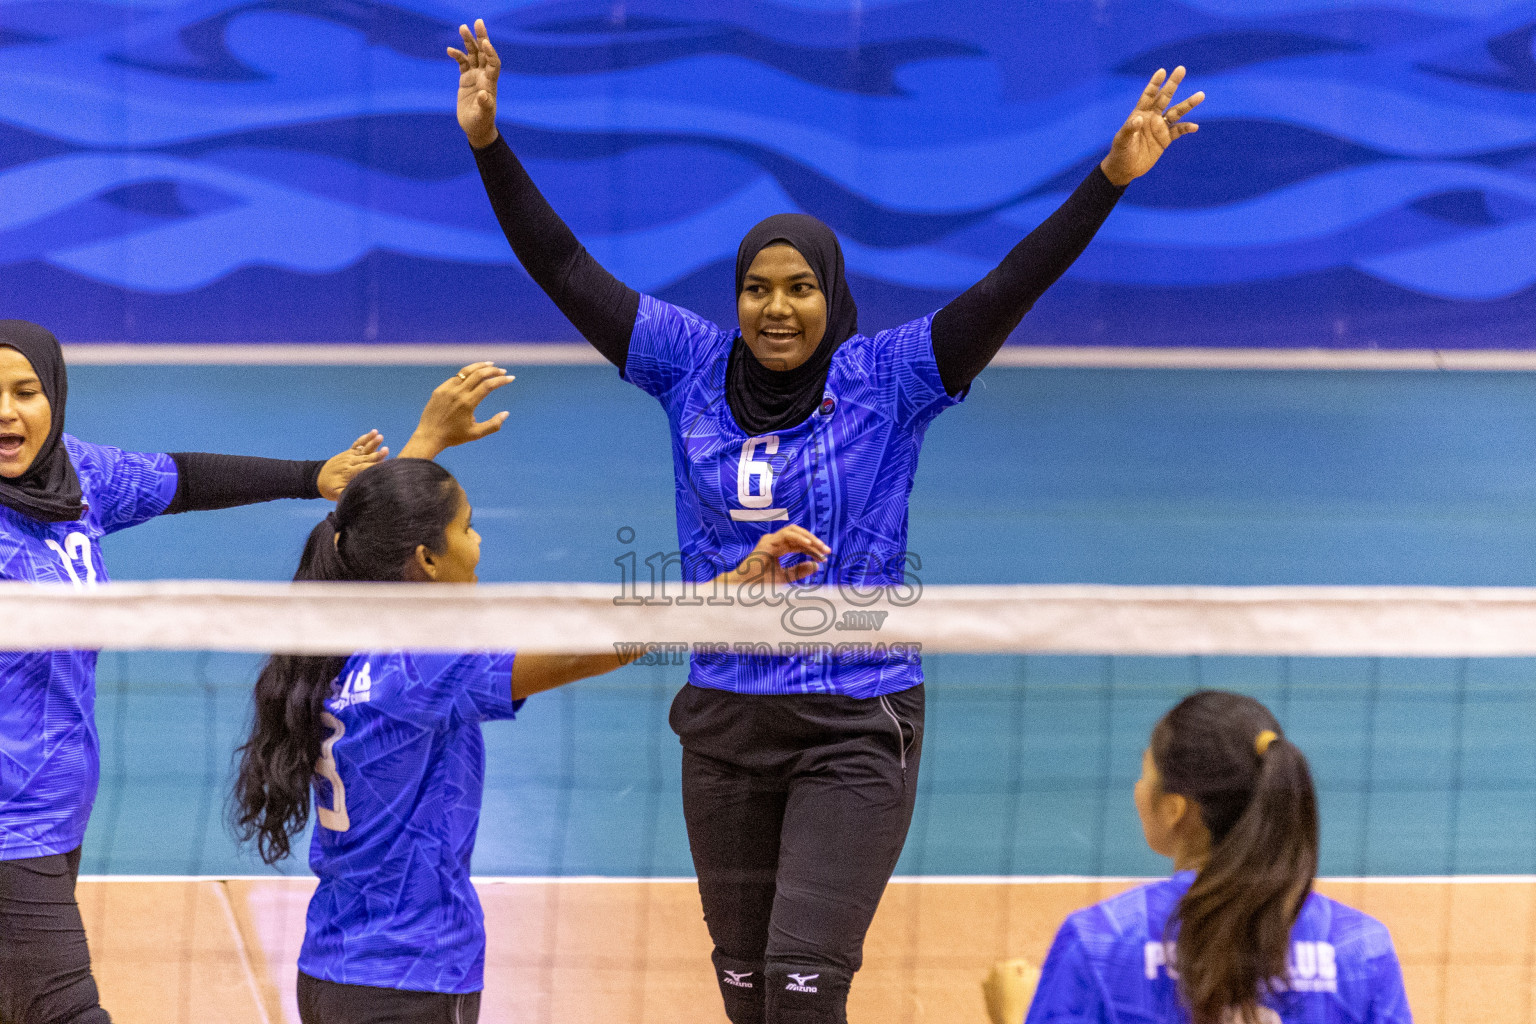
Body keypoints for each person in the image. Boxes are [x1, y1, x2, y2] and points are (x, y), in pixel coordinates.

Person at [449, 20, 1204, 1023]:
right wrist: (489, 145)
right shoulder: (686, 365)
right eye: (758, 290)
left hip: (855, 717)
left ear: (830, 294)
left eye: (799, 288)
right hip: (722, 722)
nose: (776, 309)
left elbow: (1011, 284)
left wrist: (1109, 177)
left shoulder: (891, 378)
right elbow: (566, 268)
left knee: (805, 994)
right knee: (751, 996)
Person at [0, 316, 512, 1024]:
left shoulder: (76, 479)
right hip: (8, 823)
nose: (6, 412)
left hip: (55, 807)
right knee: (64, 1011)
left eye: (25, 390)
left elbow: (183, 478)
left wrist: (315, 478)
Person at [231, 454, 829, 1024]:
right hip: (411, 976)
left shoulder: (338, 645)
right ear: (427, 559)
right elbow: (595, 648)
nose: (478, 542)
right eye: (467, 528)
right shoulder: (425, 667)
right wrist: (733, 587)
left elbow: (367, 524)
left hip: (331, 965)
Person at [1024, 690, 1411, 1024]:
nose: (1138, 788)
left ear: (1175, 808)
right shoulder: (1361, 949)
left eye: (1145, 773)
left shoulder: (1098, 941)